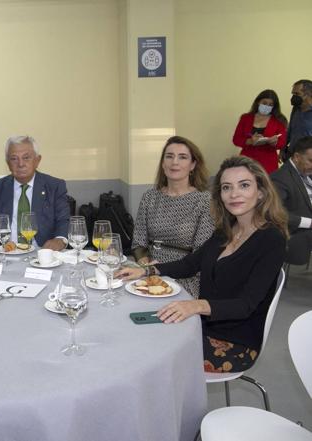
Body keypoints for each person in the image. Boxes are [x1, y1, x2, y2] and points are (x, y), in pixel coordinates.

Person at [119, 156, 287, 373]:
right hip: (202, 324)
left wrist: (196, 305)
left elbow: (246, 304)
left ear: (261, 192)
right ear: (221, 195)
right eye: (227, 187)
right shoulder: (226, 230)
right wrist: (145, 271)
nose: (234, 194)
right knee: (137, 329)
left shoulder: (271, 239)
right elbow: (190, 264)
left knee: (148, 355)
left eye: (244, 185)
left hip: (235, 342)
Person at [132, 136, 214, 298]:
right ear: (163, 164)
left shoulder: (204, 200)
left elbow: (201, 254)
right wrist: (144, 263)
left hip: (186, 275)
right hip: (149, 270)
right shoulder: (149, 197)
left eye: (182, 157)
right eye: (169, 156)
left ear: (193, 165)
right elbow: (138, 243)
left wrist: (159, 270)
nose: (174, 162)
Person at [0, 135, 69, 251]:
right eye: (14, 159)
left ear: (37, 160)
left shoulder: (55, 186)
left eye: (26, 158)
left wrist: (60, 239)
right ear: (8, 163)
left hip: (42, 252)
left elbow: (64, 220)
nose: (20, 164)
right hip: (6, 252)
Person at [270, 136, 312, 265]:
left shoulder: (306, 171)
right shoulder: (280, 178)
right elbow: (275, 213)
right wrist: (310, 223)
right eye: (311, 160)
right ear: (297, 157)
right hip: (296, 231)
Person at [232, 89, 287, 173]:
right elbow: (236, 139)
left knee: (266, 185)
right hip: (246, 160)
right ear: (258, 102)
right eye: (264, 103)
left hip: (268, 163)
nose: (267, 106)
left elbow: (282, 142)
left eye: (270, 104)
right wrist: (250, 141)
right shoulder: (245, 118)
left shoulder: (279, 120)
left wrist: (274, 142)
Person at [283, 79, 312, 160]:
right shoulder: (295, 109)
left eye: (297, 94)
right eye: (293, 94)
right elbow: (290, 130)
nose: (293, 97)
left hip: (308, 159)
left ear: (308, 94)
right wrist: (283, 148)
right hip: (292, 155)